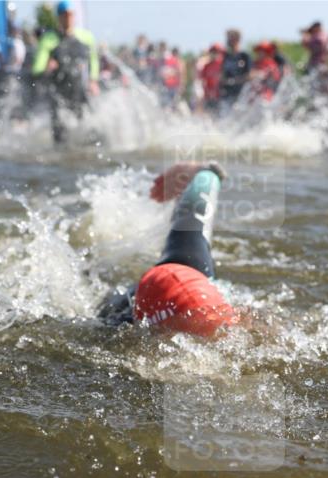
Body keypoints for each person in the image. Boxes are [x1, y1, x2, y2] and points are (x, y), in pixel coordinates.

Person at [96, 162, 239, 337]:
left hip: (187, 270)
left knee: (190, 222)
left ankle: (200, 172)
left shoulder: (227, 318)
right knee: (105, 308)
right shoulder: (120, 324)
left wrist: (205, 174)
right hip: (149, 302)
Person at [31, 0, 99, 144]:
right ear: (59, 17)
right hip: (58, 92)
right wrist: (47, 66)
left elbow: (93, 60)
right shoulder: (49, 39)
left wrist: (93, 80)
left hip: (79, 90)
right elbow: (37, 69)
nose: (67, 18)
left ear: (74, 16)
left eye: (70, 15)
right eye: (64, 15)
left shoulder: (86, 37)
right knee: (60, 135)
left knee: (88, 130)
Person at [219, 29, 251, 110]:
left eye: (230, 38)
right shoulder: (226, 56)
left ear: (237, 39)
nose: (228, 41)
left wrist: (234, 81)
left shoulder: (244, 56)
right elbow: (222, 74)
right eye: (228, 38)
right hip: (227, 94)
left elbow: (250, 75)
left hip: (241, 94)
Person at [198, 43, 224, 114]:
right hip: (208, 96)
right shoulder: (206, 66)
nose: (214, 54)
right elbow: (203, 81)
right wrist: (206, 92)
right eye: (212, 52)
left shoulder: (222, 64)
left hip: (220, 95)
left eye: (216, 52)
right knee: (209, 115)